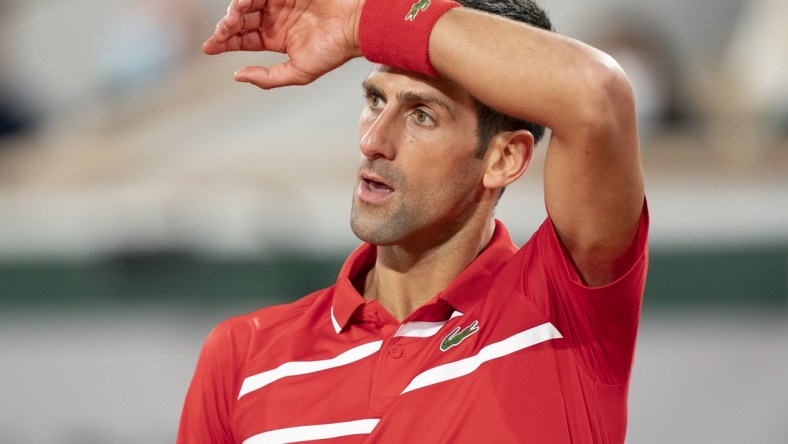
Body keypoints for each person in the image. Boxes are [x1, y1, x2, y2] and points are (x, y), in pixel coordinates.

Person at [178, 0, 648, 442]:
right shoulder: (241, 356)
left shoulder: (564, 309)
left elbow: (595, 93)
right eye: (376, 102)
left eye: (421, 115)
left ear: (504, 158)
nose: (374, 141)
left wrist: (362, 20)